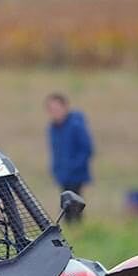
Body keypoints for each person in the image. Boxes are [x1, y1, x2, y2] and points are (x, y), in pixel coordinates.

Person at [45, 93, 94, 222]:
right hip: (62, 174)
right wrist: (56, 169)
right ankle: (74, 231)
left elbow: (87, 149)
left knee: (74, 207)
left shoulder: (76, 125)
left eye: (57, 108)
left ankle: (77, 232)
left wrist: (74, 167)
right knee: (66, 208)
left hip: (76, 175)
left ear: (65, 107)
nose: (55, 112)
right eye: (52, 109)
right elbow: (55, 151)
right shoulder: (53, 128)